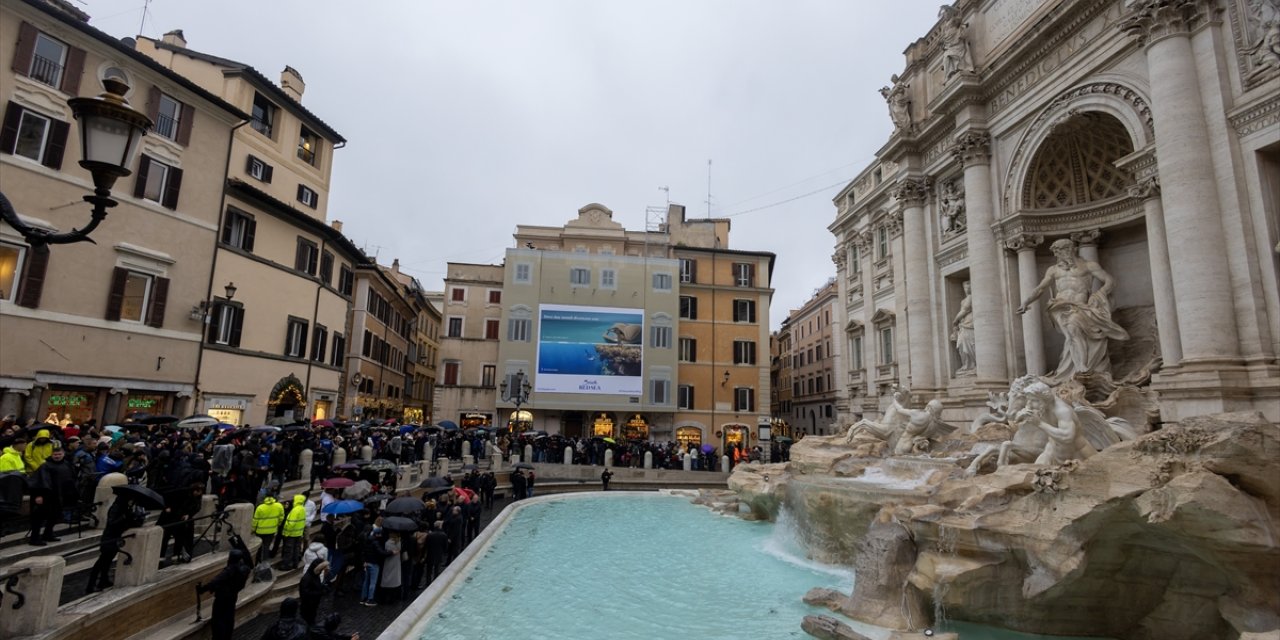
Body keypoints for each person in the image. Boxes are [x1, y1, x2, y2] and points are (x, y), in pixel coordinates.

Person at [1018, 238, 1128, 384]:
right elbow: (1040, 289)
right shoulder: (1053, 270)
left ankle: (1078, 368)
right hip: (1059, 306)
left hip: (1080, 306)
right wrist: (1026, 302)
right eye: (1056, 252)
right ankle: (1082, 366)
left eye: (1061, 250)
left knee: (1077, 333)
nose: (1058, 255)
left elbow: (1110, 281)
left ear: (1071, 249)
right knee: (1072, 328)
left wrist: (1099, 294)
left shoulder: (1088, 265)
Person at [86, 496, 144, 593]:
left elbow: (126, 523)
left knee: (108, 561)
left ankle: (103, 580)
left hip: (116, 538)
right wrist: (123, 517)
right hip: (109, 538)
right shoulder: (115, 508)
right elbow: (111, 523)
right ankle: (90, 586)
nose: (131, 501)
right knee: (101, 562)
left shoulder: (126, 509)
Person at [28, 441, 76, 545]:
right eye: (55, 454)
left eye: (59, 454)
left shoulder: (66, 464)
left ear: (63, 454)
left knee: (54, 516)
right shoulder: (45, 466)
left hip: (59, 496)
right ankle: (34, 538)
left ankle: (48, 534)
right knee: (39, 518)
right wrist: (39, 495)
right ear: (51, 455)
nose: (57, 456)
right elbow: (39, 481)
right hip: (46, 496)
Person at [197, 548, 251, 640]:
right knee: (229, 617)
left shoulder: (230, 570)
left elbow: (216, 581)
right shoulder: (245, 568)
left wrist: (202, 589)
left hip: (222, 597)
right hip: (233, 595)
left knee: (218, 619)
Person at [951, 281, 976, 374]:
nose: (967, 289)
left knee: (969, 342)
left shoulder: (971, 297)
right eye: (965, 287)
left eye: (969, 286)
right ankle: (967, 364)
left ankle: (973, 364)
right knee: (961, 344)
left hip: (969, 322)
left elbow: (965, 310)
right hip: (964, 323)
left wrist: (955, 320)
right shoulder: (963, 300)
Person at [252, 494, 285, 565]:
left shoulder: (260, 507)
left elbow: (255, 520)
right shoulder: (279, 506)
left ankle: (257, 561)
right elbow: (281, 518)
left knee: (259, 546)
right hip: (272, 530)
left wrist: (253, 529)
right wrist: (277, 524)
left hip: (260, 530)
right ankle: (264, 562)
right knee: (266, 546)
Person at [298, 558, 329, 629]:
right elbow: (305, 593)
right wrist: (320, 592)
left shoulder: (315, 576)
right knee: (309, 624)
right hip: (307, 607)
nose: (321, 572)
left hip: (313, 605)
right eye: (321, 570)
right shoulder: (307, 578)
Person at [280, 493, 308, 570]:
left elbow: (291, 523)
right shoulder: (302, 509)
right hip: (298, 533)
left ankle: (286, 565)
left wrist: (286, 533)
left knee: (288, 550)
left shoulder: (295, 510)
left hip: (291, 534)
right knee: (296, 549)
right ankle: (295, 564)